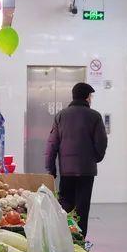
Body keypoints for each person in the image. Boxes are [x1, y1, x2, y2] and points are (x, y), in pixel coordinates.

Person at [45, 82, 107, 236]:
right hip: (87, 172)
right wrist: (95, 158)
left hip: (66, 171)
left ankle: (64, 239)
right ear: (87, 97)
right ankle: (80, 241)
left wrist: (50, 168)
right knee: (82, 209)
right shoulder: (95, 116)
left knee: (65, 206)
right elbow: (101, 142)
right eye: (90, 96)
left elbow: (52, 144)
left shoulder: (61, 116)